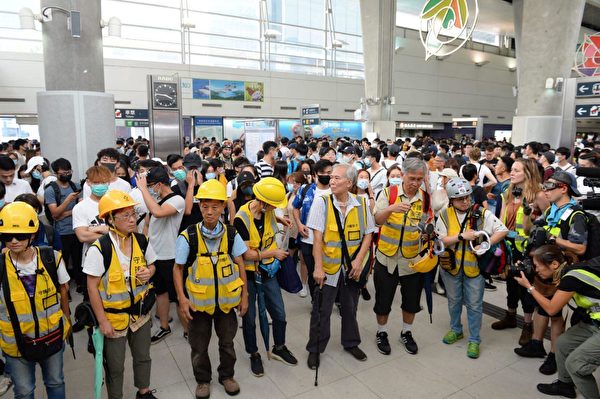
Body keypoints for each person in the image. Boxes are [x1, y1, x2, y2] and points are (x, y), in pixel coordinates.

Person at [173, 180, 248, 399]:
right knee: (199, 346)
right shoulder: (189, 236)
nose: (209, 212)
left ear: (224, 208)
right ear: (199, 207)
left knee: (227, 343)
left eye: (215, 207)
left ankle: (227, 376)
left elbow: (241, 264)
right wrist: (181, 299)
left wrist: (245, 295)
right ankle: (203, 380)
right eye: (205, 206)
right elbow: (177, 269)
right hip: (198, 304)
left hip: (226, 303)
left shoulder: (232, 234)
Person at [84, 190, 158, 399]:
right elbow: (92, 288)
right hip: (113, 319)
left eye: (133, 214)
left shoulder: (141, 241)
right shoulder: (100, 249)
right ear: (109, 219)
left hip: (141, 315)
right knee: (115, 366)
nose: (132, 219)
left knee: (143, 356)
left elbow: (153, 265)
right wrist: (103, 321)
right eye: (125, 216)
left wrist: (148, 272)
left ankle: (143, 391)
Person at [306, 163, 375, 369]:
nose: (332, 181)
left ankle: (351, 343)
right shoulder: (322, 202)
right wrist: (318, 267)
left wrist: (359, 260)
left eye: (337, 178)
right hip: (328, 267)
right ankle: (315, 349)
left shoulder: (361, 204)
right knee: (321, 310)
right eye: (331, 177)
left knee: (350, 307)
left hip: (352, 268)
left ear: (349, 183)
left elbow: (368, 233)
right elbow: (317, 239)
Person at [0, 202, 71, 399]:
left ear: (33, 235)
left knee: (56, 382)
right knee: (24, 391)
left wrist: (67, 322)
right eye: (6, 237)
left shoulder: (51, 258)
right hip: (16, 345)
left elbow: (63, 291)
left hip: (52, 337)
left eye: (20, 236)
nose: (13, 241)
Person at [514, 246, 600, 399]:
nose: (536, 270)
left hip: (596, 324)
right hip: (594, 322)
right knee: (562, 343)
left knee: (576, 365)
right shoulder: (568, 272)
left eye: (537, 266)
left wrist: (529, 287)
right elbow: (549, 294)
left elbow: (551, 309)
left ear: (554, 264)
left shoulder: (572, 277)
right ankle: (564, 385)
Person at [436, 178, 508, 358]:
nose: (466, 201)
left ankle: (474, 339)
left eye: (467, 197)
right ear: (451, 200)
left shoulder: (481, 213)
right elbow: (441, 240)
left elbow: (503, 230)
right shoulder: (444, 214)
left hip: (475, 270)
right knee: (453, 301)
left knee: (475, 305)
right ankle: (456, 329)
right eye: (460, 199)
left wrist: (486, 244)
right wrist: (462, 236)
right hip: (451, 267)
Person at [234, 177, 297, 377]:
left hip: (268, 273)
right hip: (250, 276)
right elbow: (246, 254)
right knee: (250, 318)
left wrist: (280, 219)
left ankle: (279, 346)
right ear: (262, 202)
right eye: (272, 206)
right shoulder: (241, 219)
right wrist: (273, 253)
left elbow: (267, 222)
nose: (274, 209)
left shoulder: (267, 211)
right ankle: (253, 353)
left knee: (279, 313)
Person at [372, 158, 434, 356]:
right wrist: (391, 209)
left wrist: (427, 232)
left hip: (412, 261)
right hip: (386, 258)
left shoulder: (425, 199)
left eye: (419, 179)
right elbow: (377, 220)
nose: (415, 183)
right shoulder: (389, 193)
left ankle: (406, 332)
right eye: (412, 178)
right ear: (403, 175)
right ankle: (381, 332)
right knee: (383, 300)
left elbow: (428, 223)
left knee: (411, 301)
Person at [493, 158, 545, 346]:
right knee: (510, 283)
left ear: (528, 173)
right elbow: (501, 219)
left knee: (526, 288)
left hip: (528, 250)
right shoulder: (508, 191)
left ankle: (528, 325)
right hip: (508, 245)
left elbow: (545, 225)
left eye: (516, 170)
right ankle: (510, 315)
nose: (511, 173)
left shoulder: (537, 195)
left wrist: (530, 217)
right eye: (512, 170)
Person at [137, 167, 186, 343]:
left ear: (158, 184)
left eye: (150, 186)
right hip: (155, 257)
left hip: (170, 256)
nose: (149, 189)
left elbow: (158, 212)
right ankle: (164, 327)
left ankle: (189, 331)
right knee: (161, 293)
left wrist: (143, 189)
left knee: (179, 297)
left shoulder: (177, 200)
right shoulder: (158, 200)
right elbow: (149, 224)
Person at [292, 159, 333, 301]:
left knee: (331, 272)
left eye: (329, 172)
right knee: (312, 271)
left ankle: (335, 299)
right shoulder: (306, 190)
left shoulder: (336, 191)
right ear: (315, 174)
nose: (326, 175)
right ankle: (316, 301)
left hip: (330, 241)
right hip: (308, 239)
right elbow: (295, 207)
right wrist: (299, 224)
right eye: (323, 172)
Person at [72, 165, 113, 295]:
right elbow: (82, 236)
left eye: (103, 182)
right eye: (96, 182)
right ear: (88, 182)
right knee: (92, 298)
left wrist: (98, 229)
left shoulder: (116, 202)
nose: (100, 185)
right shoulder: (81, 207)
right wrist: (111, 231)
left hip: (117, 259)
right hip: (91, 261)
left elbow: (129, 230)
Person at [45, 158, 82, 292]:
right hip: (61, 232)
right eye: (63, 172)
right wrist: (67, 201)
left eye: (69, 171)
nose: (66, 174)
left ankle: (79, 284)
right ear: (55, 173)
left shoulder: (76, 186)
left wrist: (66, 213)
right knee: (63, 261)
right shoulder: (51, 190)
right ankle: (64, 288)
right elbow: (55, 214)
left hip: (77, 229)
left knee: (78, 259)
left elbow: (81, 208)